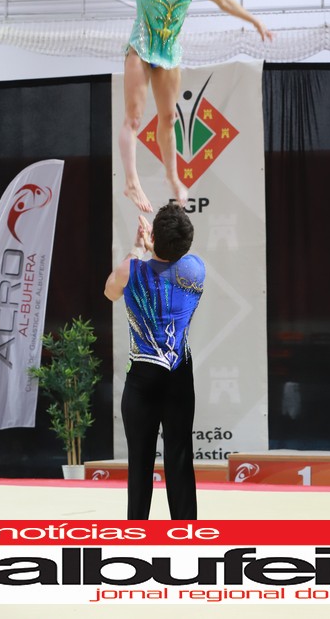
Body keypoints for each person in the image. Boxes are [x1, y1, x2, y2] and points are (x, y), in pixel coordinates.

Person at [29, 0, 272, 213]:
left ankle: (173, 176)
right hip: (141, 49)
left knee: (169, 120)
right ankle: (131, 182)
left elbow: (223, 1)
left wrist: (254, 21)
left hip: (169, 55)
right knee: (133, 119)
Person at [104, 203, 205, 519]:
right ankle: (185, 530)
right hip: (179, 377)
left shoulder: (130, 271)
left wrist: (138, 247)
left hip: (142, 380)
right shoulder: (195, 270)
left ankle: (138, 531)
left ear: (153, 238)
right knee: (180, 456)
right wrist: (154, 247)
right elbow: (170, 261)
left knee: (140, 462)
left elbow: (109, 292)